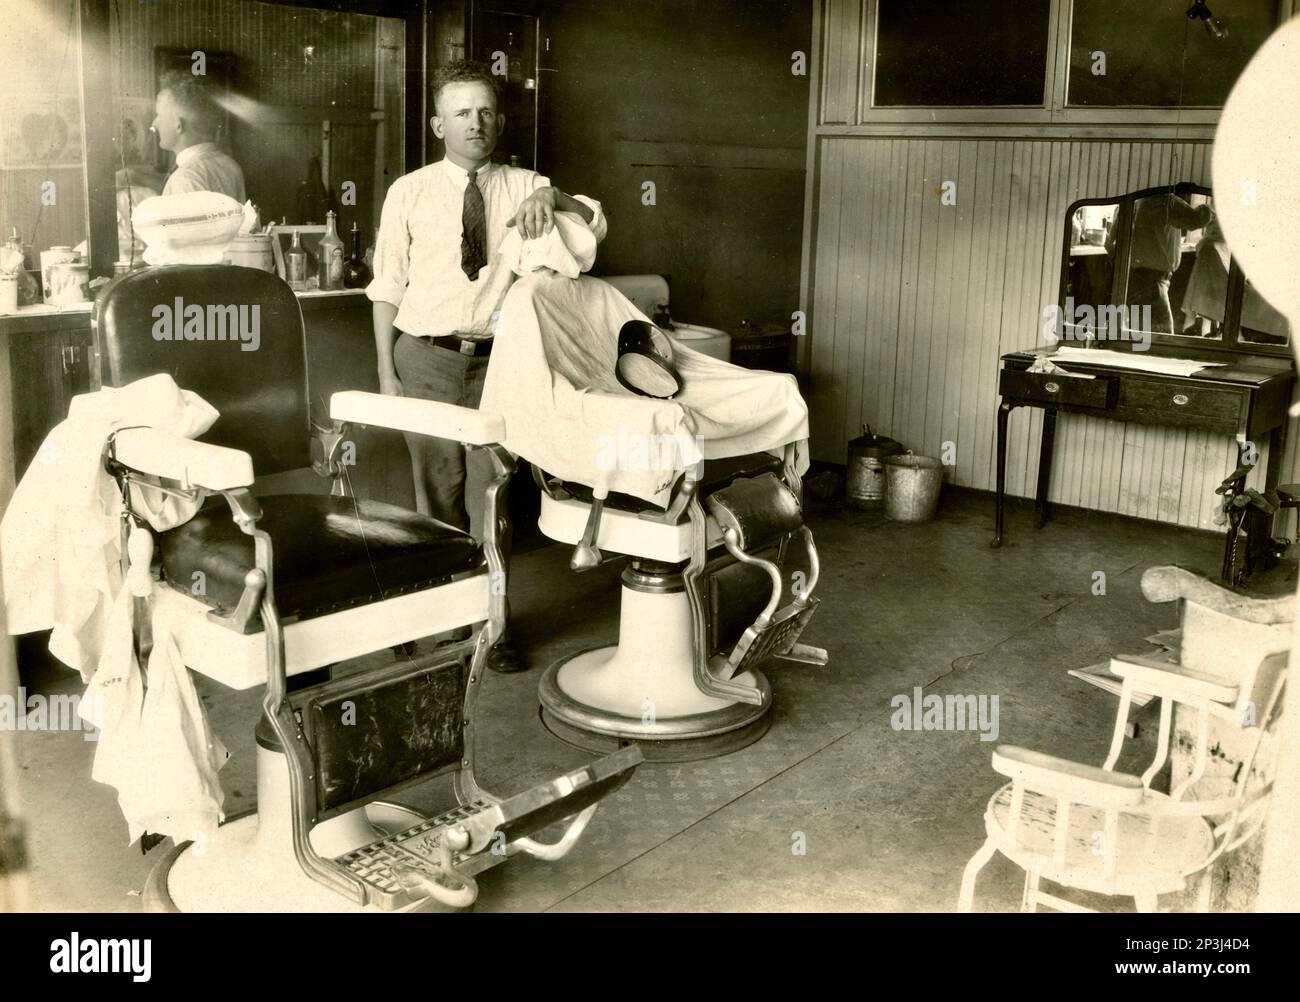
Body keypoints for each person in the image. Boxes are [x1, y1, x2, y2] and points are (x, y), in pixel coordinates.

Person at [366, 59, 607, 673]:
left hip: (502, 364)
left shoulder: (531, 186)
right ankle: (437, 618)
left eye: (485, 112)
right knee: (436, 497)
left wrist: (553, 198)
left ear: (499, 120)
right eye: (461, 113)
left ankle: (491, 628)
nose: (475, 124)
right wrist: (387, 375)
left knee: (491, 500)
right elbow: (387, 285)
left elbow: (588, 225)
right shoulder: (409, 191)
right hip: (423, 358)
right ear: (438, 123)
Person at [1126, 182, 1213, 333]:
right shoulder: (1166, 201)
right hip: (1153, 281)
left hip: (1143, 276)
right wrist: (1211, 208)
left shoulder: (1142, 200)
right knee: (1165, 335)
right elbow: (1197, 219)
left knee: (1143, 332)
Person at [151, 70, 246, 203]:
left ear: (178, 124)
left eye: (159, 115)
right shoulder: (230, 165)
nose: (154, 123)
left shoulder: (184, 179)